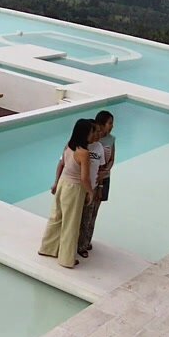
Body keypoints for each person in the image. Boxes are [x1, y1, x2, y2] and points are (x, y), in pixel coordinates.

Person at [39, 118, 99, 269]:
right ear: (85, 133)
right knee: (71, 223)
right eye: (92, 132)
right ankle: (66, 259)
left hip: (62, 183)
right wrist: (90, 192)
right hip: (74, 189)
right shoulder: (84, 153)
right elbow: (84, 178)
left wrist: (56, 183)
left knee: (56, 217)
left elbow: (63, 164)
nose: (93, 134)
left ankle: (47, 248)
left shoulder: (68, 146)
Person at [77, 110, 115, 259]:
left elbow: (111, 159)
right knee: (84, 212)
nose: (112, 126)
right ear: (101, 124)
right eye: (109, 123)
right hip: (91, 179)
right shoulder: (90, 140)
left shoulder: (111, 140)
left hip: (103, 179)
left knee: (93, 212)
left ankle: (86, 241)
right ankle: (79, 242)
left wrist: (105, 172)